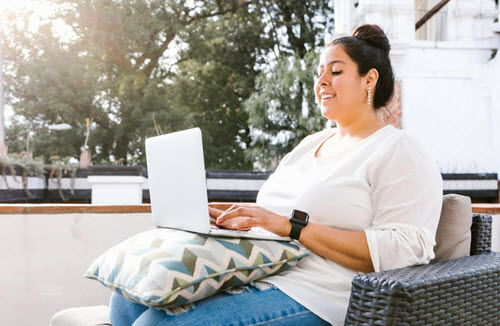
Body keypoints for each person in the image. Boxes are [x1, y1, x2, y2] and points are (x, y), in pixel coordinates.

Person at [109, 24, 443, 326]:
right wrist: (231, 221)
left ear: (369, 79)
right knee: (125, 303)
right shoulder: (310, 144)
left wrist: (292, 226)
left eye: (336, 71)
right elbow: (272, 217)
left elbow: (406, 247)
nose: (322, 81)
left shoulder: (398, 149)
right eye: (319, 73)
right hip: (262, 271)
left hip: (321, 293)